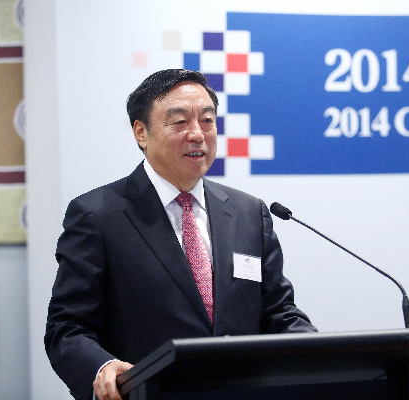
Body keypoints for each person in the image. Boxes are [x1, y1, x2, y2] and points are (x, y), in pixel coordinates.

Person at [44, 69, 316, 400]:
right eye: (179, 122)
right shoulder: (97, 215)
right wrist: (102, 367)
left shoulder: (248, 213)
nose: (197, 134)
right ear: (141, 132)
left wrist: (322, 355)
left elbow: (278, 313)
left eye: (207, 121)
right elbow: (67, 328)